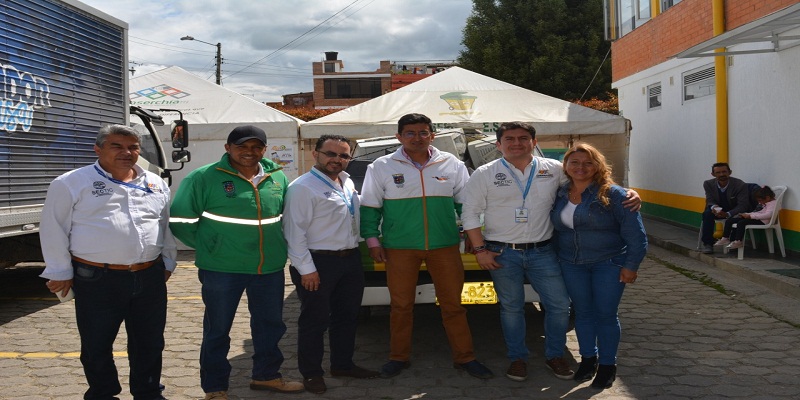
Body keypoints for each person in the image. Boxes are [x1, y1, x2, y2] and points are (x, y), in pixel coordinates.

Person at [462, 122, 641, 383]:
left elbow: (590, 181)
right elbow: (469, 214)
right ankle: (518, 359)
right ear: (498, 144)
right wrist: (480, 250)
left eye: (523, 138)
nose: (516, 143)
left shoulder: (554, 169)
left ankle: (555, 355)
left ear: (534, 143)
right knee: (511, 308)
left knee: (559, 306)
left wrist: (629, 193)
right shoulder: (484, 173)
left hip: (543, 251)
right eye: (509, 139)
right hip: (501, 253)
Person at [39, 124, 176, 400]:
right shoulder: (71, 183)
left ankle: (148, 391)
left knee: (149, 342)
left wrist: (168, 262)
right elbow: (53, 228)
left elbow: (163, 224)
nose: (127, 152)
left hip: (149, 275)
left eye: (133, 147)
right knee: (97, 343)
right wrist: (60, 270)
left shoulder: (154, 182)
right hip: (97, 278)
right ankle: (102, 393)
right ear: (98, 149)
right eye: (117, 146)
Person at [169, 126, 303, 400]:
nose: (249, 152)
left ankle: (266, 376)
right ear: (228, 148)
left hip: (268, 268)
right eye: (242, 146)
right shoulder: (203, 177)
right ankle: (215, 387)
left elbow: (285, 217)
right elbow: (181, 220)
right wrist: (212, 246)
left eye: (256, 147)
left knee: (270, 326)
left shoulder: (276, 176)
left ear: (264, 150)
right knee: (218, 329)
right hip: (221, 269)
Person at [360, 113, 494, 380]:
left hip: (444, 246)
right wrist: (372, 240)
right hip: (399, 247)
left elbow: (466, 205)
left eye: (423, 132)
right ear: (399, 137)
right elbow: (370, 206)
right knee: (400, 306)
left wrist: (472, 234)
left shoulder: (451, 163)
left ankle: (465, 357)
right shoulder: (381, 166)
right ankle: (398, 357)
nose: (417, 138)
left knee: (453, 305)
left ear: (432, 135)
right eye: (410, 133)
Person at [283, 135, 380, 394]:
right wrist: (307, 270)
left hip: (349, 259)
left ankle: (343, 365)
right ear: (316, 154)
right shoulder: (303, 187)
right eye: (331, 154)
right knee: (314, 321)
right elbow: (294, 233)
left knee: (347, 317)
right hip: (318, 262)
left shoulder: (346, 183)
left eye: (344, 155)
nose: (337, 159)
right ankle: (312, 373)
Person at [550, 143, 647, 389]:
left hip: (609, 264)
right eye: (575, 162)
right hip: (571, 264)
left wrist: (631, 266)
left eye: (587, 162)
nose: (580, 167)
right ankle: (588, 360)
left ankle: (607, 365)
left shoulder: (614, 194)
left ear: (597, 166)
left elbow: (636, 236)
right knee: (583, 313)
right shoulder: (560, 192)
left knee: (605, 315)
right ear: (566, 166)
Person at [701, 163, 751, 254]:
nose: (721, 174)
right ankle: (708, 243)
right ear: (713, 174)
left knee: (737, 216)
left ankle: (733, 242)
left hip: (734, 209)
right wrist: (715, 207)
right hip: (716, 208)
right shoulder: (708, 184)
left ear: (730, 172)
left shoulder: (740, 185)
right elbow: (710, 200)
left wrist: (728, 213)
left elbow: (743, 205)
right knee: (707, 214)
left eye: (724, 172)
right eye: (718, 172)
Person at [714, 186, 777, 250]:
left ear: (768, 198)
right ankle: (725, 238)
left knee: (741, 223)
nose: (760, 202)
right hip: (756, 218)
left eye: (760, 200)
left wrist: (750, 216)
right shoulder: (766, 203)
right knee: (730, 220)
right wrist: (746, 214)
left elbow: (768, 215)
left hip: (762, 221)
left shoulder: (772, 204)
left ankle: (738, 241)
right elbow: (759, 212)